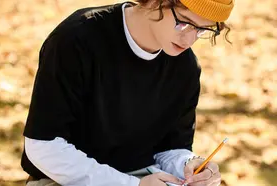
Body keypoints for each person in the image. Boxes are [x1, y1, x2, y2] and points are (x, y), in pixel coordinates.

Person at [20, 0, 234, 185]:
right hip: (63, 179)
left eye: (202, 30)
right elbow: (43, 146)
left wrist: (189, 165)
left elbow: (171, 148)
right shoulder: (78, 39)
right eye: (184, 23)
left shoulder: (185, 67)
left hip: (143, 176)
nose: (189, 40)